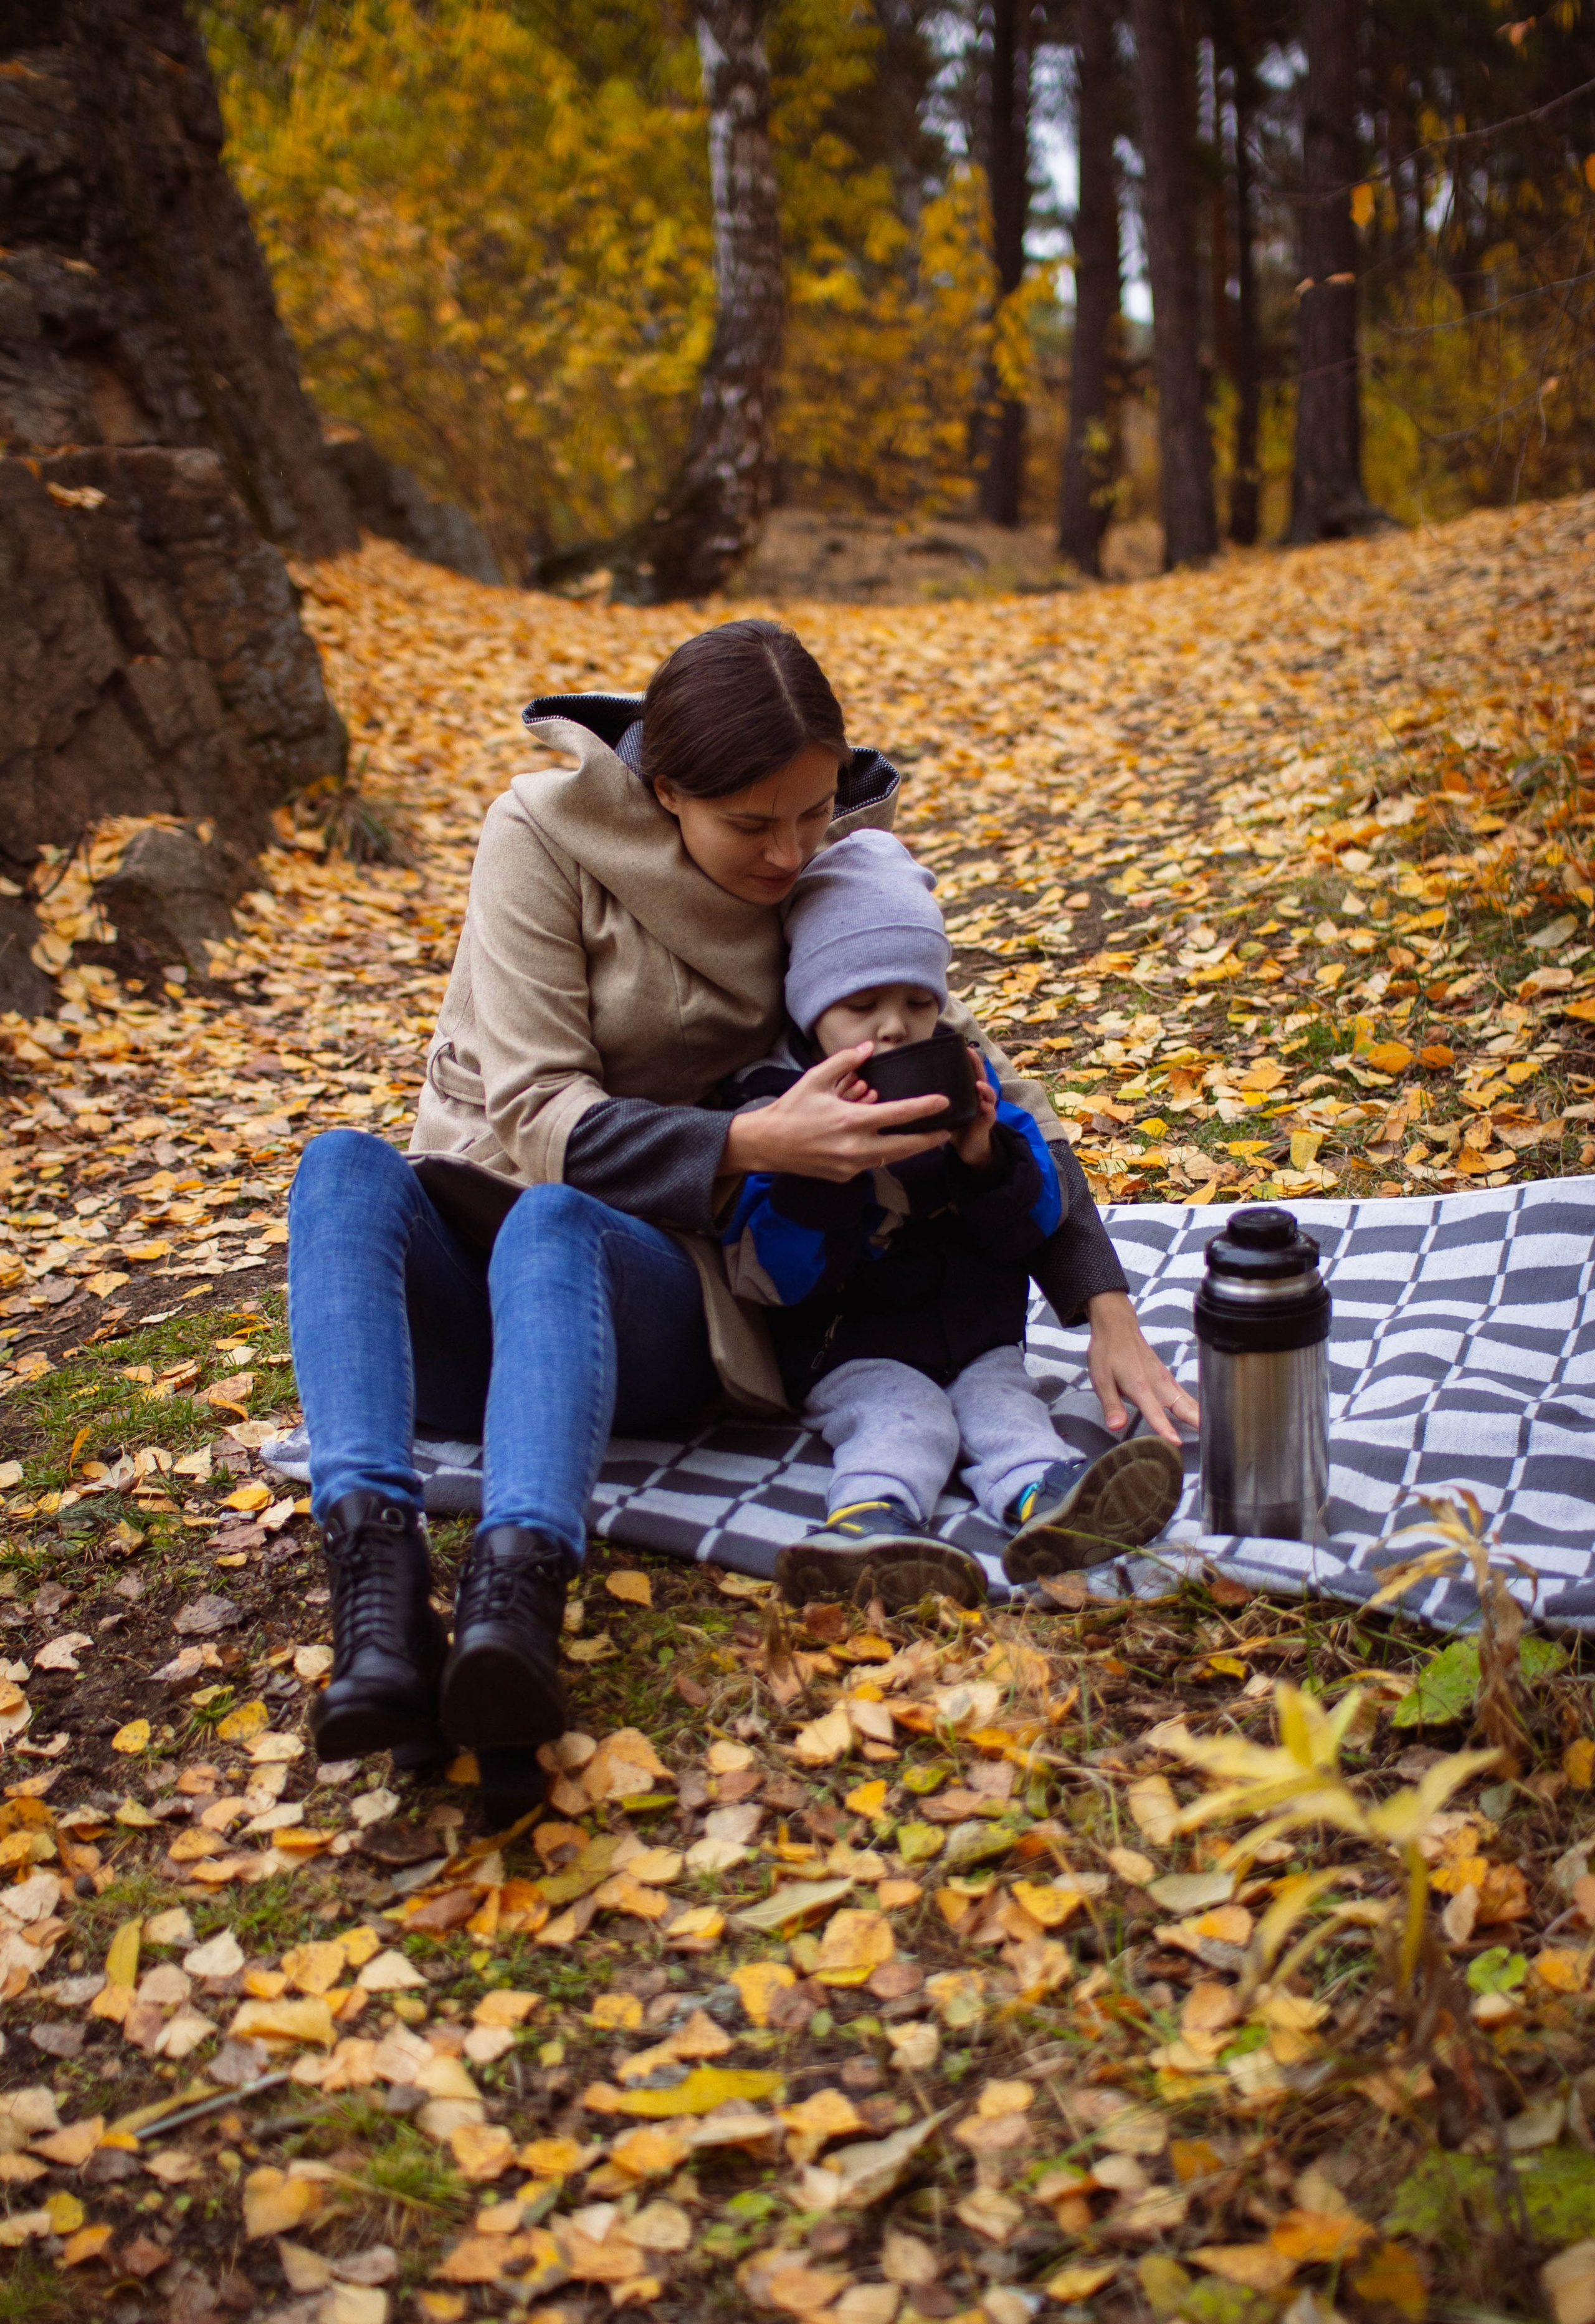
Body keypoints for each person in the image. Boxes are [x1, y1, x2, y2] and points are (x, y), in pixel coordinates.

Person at [285, 618, 1196, 1819]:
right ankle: (377, 1591)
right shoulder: (546, 835)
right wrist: (753, 1139)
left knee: (559, 1226)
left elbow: (987, 1085)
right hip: (491, 1239)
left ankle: (516, 1610)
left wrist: (1107, 1307)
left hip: (656, 1288)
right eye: (752, 826)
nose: (790, 854)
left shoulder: (836, 855)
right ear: (665, 791)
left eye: (814, 813)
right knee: (342, 1165)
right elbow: (536, 1109)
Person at [716, 830, 1184, 1609]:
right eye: (861, 1005)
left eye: (918, 1001)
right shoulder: (776, 1103)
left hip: (977, 1331)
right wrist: (830, 1170)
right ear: (808, 1003)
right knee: (908, 1419)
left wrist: (984, 1155)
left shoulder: (967, 1074)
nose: (895, 1026)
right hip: (849, 1344)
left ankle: (1058, 1509)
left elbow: (1033, 1222)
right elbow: (773, 1274)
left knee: (1009, 1411)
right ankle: (867, 1530)